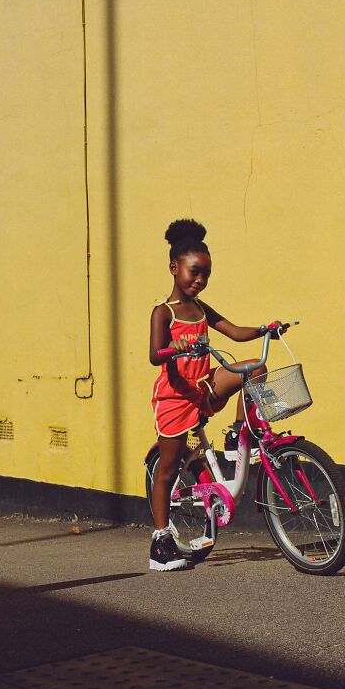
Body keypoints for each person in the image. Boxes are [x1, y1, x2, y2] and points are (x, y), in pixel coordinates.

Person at [148, 218, 283, 571]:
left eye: (206, 274)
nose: (200, 280)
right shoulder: (164, 312)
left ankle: (240, 431)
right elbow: (153, 355)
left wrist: (265, 328)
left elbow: (236, 332)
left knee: (254, 368)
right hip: (176, 397)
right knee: (167, 469)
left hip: (204, 385)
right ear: (174, 268)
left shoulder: (202, 309)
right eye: (194, 272)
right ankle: (161, 541)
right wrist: (173, 347)